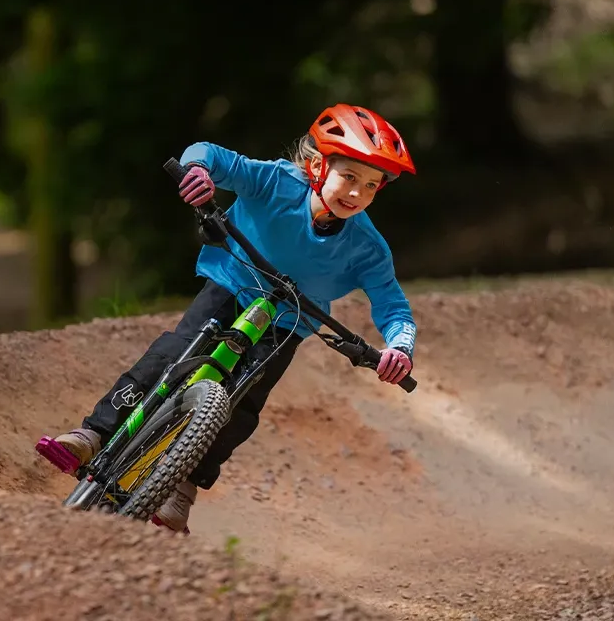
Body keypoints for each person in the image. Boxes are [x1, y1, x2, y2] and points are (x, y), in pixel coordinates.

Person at [51, 103, 419, 534]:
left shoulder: (368, 247)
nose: (356, 194)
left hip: (288, 322)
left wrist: (400, 346)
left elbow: (394, 307)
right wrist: (200, 173)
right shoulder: (277, 182)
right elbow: (206, 152)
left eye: (371, 186)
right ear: (317, 165)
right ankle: (93, 434)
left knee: (244, 403)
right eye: (349, 177)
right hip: (231, 284)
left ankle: (184, 485)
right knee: (172, 354)